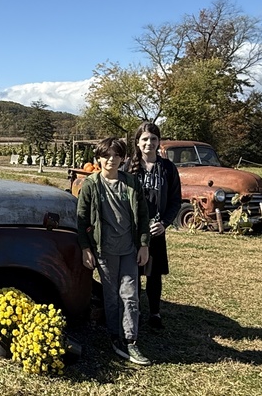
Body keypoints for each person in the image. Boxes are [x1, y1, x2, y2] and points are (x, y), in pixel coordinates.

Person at [76, 137, 152, 366]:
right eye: (106, 155)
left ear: (123, 158)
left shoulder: (131, 183)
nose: (111, 160)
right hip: (103, 250)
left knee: (130, 295)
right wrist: (85, 248)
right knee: (111, 296)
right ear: (98, 158)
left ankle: (130, 340)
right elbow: (81, 218)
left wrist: (144, 244)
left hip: (128, 249)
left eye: (116, 155)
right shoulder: (91, 184)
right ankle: (114, 337)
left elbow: (143, 215)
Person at [126, 122, 182, 330]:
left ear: (159, 142)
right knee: (133, 272)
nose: (149, 143)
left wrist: (165, 223)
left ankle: (154, 313)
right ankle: (134, 310)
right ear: (138, 143)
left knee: (153, 273)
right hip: (132, 230)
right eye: (145, 139)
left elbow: (176, 200)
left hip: (156, 230)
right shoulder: (128, 167)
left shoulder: (167, 168)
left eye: (154, 139)